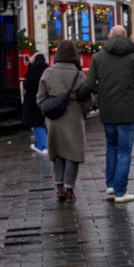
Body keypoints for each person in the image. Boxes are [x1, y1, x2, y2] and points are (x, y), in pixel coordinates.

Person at [77, 26, 134, 204]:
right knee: (124, 152)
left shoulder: (98, 57)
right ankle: (120, 192)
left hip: (107, 111)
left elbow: (88, 85)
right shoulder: (133, 58)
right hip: (127, 112)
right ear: (125, 37)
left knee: (111, 147)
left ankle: (111, 185)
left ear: (110, 37)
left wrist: (78, 96)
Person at [37, 41, 87, 203]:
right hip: (74, 117)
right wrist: (83, 111)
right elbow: (87, 100)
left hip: (54, 119)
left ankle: (58, 186)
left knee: (57, 152)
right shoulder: (78, 74)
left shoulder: (48, 72)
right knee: (73, 153)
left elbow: (40, 99)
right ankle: (69, 188)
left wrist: (49, 108)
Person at [23, 52, 49, 154]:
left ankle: (43, 146)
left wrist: (29, 66)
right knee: (43, 123)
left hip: (33, 101)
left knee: (37, 124)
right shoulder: (47, 70)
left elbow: (27, 84)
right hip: (44, 99)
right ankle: (39, 145)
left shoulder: (33, 71)